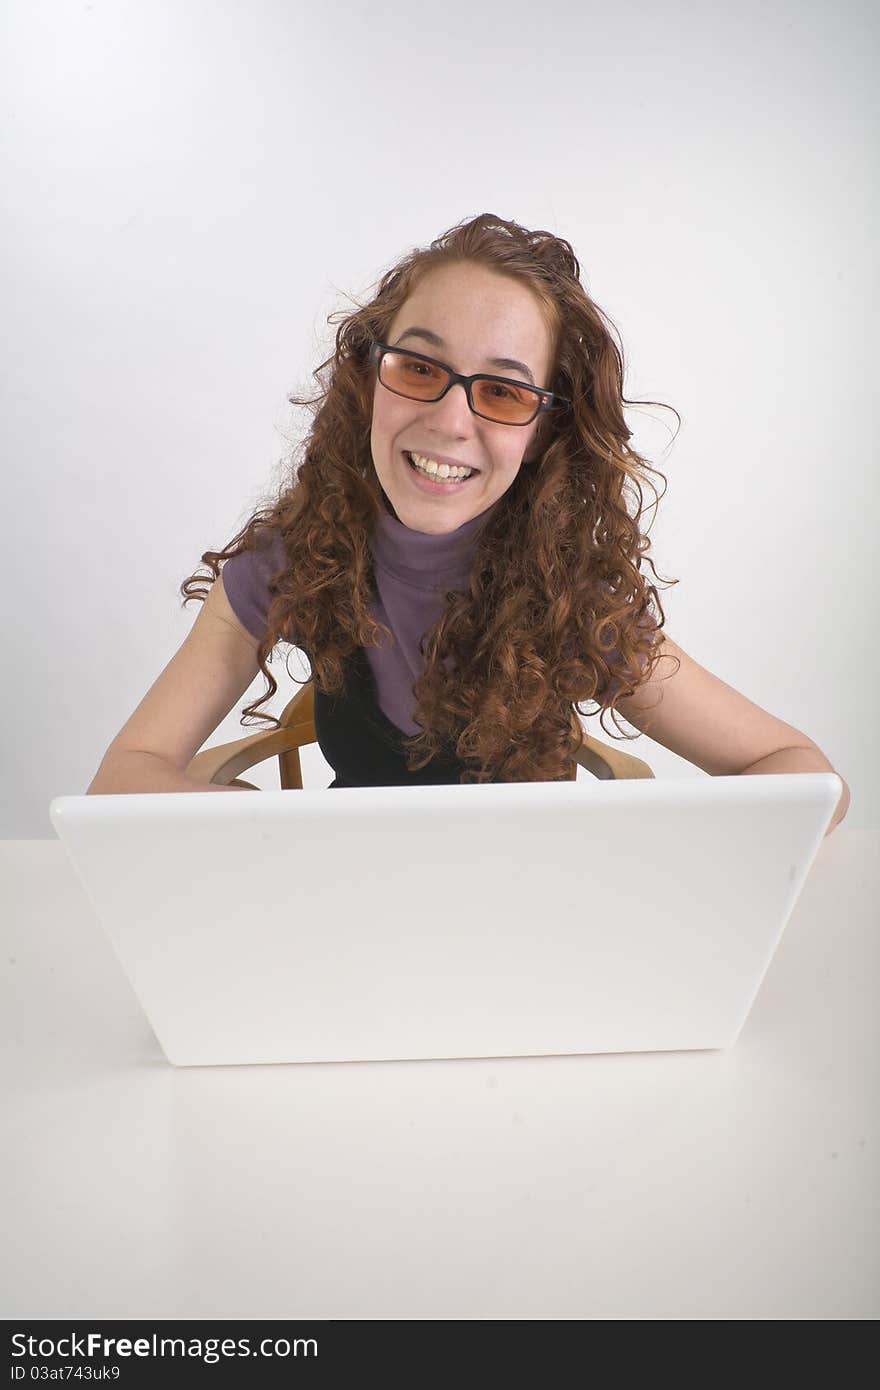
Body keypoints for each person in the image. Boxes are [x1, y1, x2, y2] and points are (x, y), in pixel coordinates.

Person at [86, 213, 850, 834]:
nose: (450, 421)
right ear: (367, 381)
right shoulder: (285, 563)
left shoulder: (570, 597)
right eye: (418, 368)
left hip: (524, 940)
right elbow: (124, 776)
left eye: (504, 393)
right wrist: (275, 841)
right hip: (343, 929)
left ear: (543, 432)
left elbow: (801, 772)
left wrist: (652, 850)